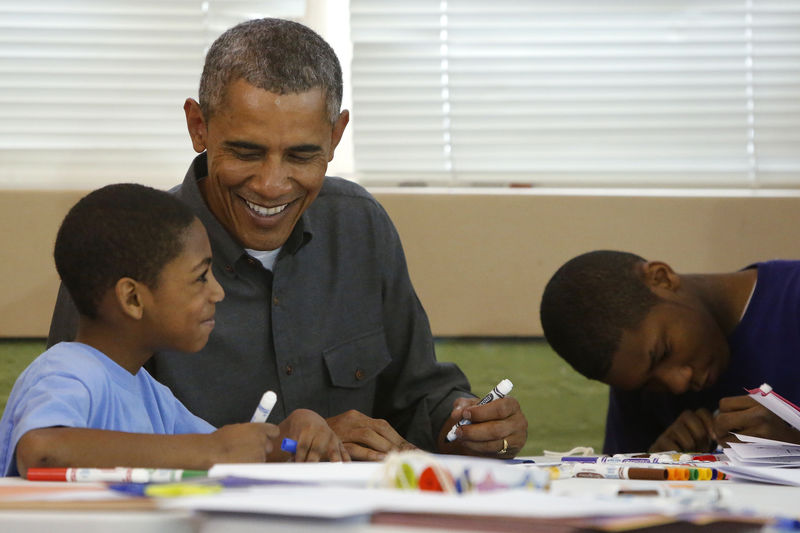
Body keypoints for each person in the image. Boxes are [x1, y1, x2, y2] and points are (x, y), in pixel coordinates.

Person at [47, 18, 528, 459]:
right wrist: (286, 446)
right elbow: (76, 447)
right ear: (199, 127)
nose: (272, 185)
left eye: (301, 156)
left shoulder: (359, 227)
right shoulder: (127, 248)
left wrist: (467, 421)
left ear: (336, 136)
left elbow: (415, 395)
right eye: (246, 152)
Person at [1, 184, 347, 477]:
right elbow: (41, 450)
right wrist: (212, 449)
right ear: (133, 298)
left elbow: (228, 455)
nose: (218, 292)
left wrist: (290, 439)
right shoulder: (68, 370)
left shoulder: (153, 397)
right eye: (200, 277)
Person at [539, 250, 800, 454]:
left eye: (663, 352)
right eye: (650, 383)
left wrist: (792, 444)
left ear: (662, 278)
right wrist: (659, 464)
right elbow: (626, 505)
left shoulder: (792, 298)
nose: (678, 383)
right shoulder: (633, 374)